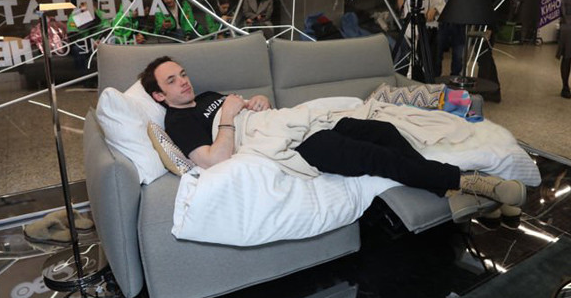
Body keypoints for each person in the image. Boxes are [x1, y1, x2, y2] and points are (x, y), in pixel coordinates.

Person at [139, 57, 527, 221]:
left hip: (289, 122)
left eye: (183, 74)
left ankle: (443, 188)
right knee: (369, 155)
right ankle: (470, 183)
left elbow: (255, 112)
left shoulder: (206, 95)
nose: (184, 82)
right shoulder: (179, 121)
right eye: (172, 81)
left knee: (381, 130)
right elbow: (212, 160)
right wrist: (228, 117)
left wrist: (257, 102)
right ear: (158, 95)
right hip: (293, 145)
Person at [479, 0, 513, 102]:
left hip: (491, 18)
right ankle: (491, 89)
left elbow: (499, 0)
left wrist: (491, 25)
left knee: (483, 53)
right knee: (483, 53)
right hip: (484, 16)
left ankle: (485, 89)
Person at [403, 0, 446, 77]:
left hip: (434, 31)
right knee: (419, 65)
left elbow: (443, 5)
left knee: (434, 62)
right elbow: (409, 10)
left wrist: (435, 10)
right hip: (419, 33)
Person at [557, 0, 571, 98]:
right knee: (567, 57)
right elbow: (563, 14)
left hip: (567, 27)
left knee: (567, 58)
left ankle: (565, 86)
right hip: (568, 29)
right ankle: (565, 86)